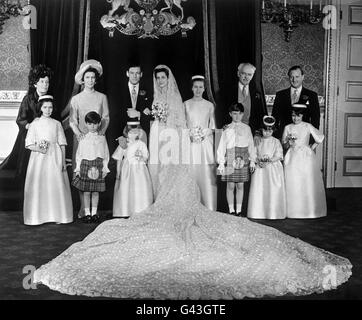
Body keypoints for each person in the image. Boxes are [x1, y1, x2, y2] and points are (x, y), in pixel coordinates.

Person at [33, 77, 352, 300]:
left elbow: (187, 130)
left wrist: (183, 139)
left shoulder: (187, 116)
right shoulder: (149, 118)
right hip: (157, 146)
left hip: (177, 148)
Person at [23, 95, 73, 225]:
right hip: (39, 159)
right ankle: (37, 217)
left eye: (50, 107)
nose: (48, 110)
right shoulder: (35, 124)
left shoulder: (56, 124)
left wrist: (62, 161)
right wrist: (39, 148)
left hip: (54, 157)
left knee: (55, 185)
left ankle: (58, 215)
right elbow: (28, 144)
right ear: (40, 108)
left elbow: (62, 143)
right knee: (40, 184)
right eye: (45, 107)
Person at [69, 60, 109, 218]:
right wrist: (79, 133)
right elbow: (72, 120)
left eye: (93, 77)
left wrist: (102, 131)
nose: (90, 80)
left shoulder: (102, 97)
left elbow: (105, 117)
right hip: (81, 140)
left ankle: (94, 210)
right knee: (81, 172)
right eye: (87, 77)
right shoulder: (76, 99)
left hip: (97, 140)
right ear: (82, 79)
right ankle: (83, 209)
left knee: (96, 172)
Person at [0, 65, 53, 182]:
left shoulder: (51, 100)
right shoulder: (28, 99)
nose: (45, 84)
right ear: (35, 84)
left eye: (47, 82)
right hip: (29, 136)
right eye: (42, 81)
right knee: (27, 167)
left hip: (46, 136)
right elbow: (20, 119)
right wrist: (29, 126)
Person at [282, 104, 327, 219]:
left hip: (306, 156)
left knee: (306, 180)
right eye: (293, 116)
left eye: (298, 116)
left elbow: (320, 137)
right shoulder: (288, 127)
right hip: (292, 155)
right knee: (293, 181)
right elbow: (284, 145)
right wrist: (289, 143)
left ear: (302, 116)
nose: (295, 118)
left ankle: (308, 209)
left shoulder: (307, 126)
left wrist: (311, 148)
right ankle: (293, 210)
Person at [148, 64, 187, 195]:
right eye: (157, 78)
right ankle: (158, 194)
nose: (160, 81)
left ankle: (169, 194)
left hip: (170, 133)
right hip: (156, 131)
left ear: (168, 78)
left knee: (168, 163)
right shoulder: (156, 96)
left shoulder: (175, 97)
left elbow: (181, 120)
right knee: (156, 163)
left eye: (163, 77)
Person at [217, 103, 256, 216]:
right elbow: (222, 145)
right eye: (234, 114)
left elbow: (251, 145)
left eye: (239, 114)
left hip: (243, 156)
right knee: (230, 185)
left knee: (240, 185)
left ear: (242, 114)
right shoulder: (226, 128)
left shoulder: (247, 128)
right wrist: (221, 162)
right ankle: (231, 210)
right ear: (230, 114)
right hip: (230, 156)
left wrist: (252, 160)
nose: (237, 116)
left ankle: (239, 210)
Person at [185, 75, 217, 211]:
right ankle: (190, 206)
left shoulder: (209, 105)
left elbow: (213, 126)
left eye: (201, 87)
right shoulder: (185, 104)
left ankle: (208, 205)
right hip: (190, 143)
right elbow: (183, 125)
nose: (198, 90)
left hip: (204, 143)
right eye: (195, 87)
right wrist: (190, 134)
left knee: (205, 173)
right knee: (191, 173)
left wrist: (203, 134)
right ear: (192, 88)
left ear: (204, 89)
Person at [72, 111, 110, 223]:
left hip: (98, 165)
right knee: (86, 191)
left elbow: (105, 154)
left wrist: (105, 167)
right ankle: (87, 214)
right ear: (86, 124)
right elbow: (79, 154)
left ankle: (94, 213)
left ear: (99, 124)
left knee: (95, 192)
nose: (92, 126)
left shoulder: (102, 138)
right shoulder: (83, 138)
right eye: (89, 124)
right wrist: (78, 168)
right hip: (85, 165)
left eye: (95, 123)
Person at [112, 118, 153, 218]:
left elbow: (146, 156)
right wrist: (118, 172)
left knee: (140, 187)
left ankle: (141, 208)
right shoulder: (123, 143)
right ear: (127, 132)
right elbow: (118, 158)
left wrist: (141, 157)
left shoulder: (141, 144)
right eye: (131, 132)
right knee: (126, 188)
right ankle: (125, 209)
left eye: (136, 132)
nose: (133, 134)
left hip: (139, 169)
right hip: (127, 169)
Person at [247, 116, 286, 220]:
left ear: (273, 130)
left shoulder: (276, 141)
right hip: (260, 168)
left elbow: (279, 154)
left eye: (270, 131)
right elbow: (254, 152)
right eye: (265, 130)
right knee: (260, 188)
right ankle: (258, 211)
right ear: (261, 130)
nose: (267, 133)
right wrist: (255, 161)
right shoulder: (258, 140)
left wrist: (269, 160)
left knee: (272, 188)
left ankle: (273, 212)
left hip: (272, 168)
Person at [272, 65, 321, 139]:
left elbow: (315, 119)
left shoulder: (312, 95)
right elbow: (275, 117)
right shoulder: (280, 95)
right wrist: (277, 137)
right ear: (289, 78)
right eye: (292, 77)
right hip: (285, 137)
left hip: (304, 138)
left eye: (297, 77)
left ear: (303, 77)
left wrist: (312, 139)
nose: (294, 80)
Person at [222, 62, 267, 134]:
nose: (246, 77)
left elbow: (260, 115)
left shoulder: (257, 92)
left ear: (252, 76)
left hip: (251, 131)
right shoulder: (227, 91)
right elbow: (222, 112)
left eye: (249, 74)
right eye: (243, 73)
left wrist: (258, 132)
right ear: (238, 73)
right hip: (231, 131)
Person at [119, 62, 152, 140]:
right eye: (132, 73)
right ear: (127, 73)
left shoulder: (148, 91)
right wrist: (119, 137)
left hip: (142, 134)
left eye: (137, 73)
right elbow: (116, 115)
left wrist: (138, 114)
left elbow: (151, 115)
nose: (134, 76)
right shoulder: (119, 90)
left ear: (141, 74)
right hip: (124, 135)